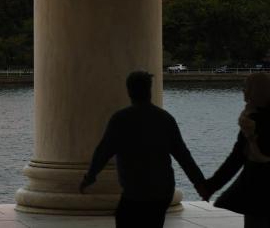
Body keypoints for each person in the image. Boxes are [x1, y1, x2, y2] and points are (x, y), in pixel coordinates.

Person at [79, 71, 207, 228]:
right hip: (162, 191)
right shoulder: (165, 119)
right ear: (149, 90)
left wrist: (90, 177)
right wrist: (200, 184)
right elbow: (183, 156)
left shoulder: (120, 119)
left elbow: (103, 152)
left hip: (134, 191)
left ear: (129, 91)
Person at [200, 73, 270, 228]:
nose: (243, 91)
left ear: (254, 91)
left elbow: (238, 156)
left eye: (246, 87)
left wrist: (211, 186)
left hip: (260, 186)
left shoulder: (254, 118)